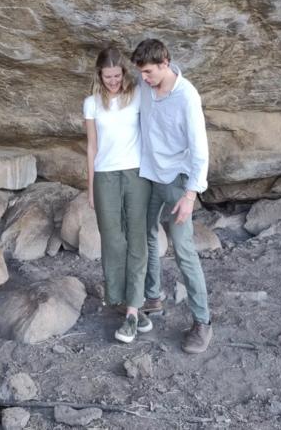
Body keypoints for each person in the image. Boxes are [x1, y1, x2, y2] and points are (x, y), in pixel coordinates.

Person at [131, 38, 212, 354]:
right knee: (147, 235)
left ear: (165, 63)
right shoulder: (145, 85)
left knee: (183, 249)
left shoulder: (187, 96)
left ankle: (202, 322)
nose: (144, 78)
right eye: (141, 73)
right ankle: (153, 296)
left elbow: (200, 150)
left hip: (178, 181)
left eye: (149, 72)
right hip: (150, 175)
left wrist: (190, 195)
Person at [84, 47, 153, 343]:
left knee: (137, 240)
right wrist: (90, 186)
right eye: (107, 76)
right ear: (99, 75)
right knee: (113, 240)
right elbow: (91, 146)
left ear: (124, 73)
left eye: (116, 75)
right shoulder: (91, 103)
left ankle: (133, 312)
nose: (112, 81)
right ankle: (123, 300)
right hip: (105, 176)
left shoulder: (137, 95)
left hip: (136, 174)